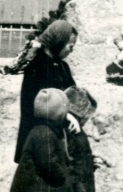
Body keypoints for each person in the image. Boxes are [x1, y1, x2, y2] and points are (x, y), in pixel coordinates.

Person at [9, 19, 79, 164]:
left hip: (58, 130)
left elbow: (73, 92)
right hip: (39, 133)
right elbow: (37, 103)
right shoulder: (37, 66)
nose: (71, 51)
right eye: (70, 46)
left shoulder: (62, 66)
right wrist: (65, 115)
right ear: (59, 42)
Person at [57, 86, 100, 192]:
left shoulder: (74, 128)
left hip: (79, 178)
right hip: (71, 178)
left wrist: (92, 161)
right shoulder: (67, 129)